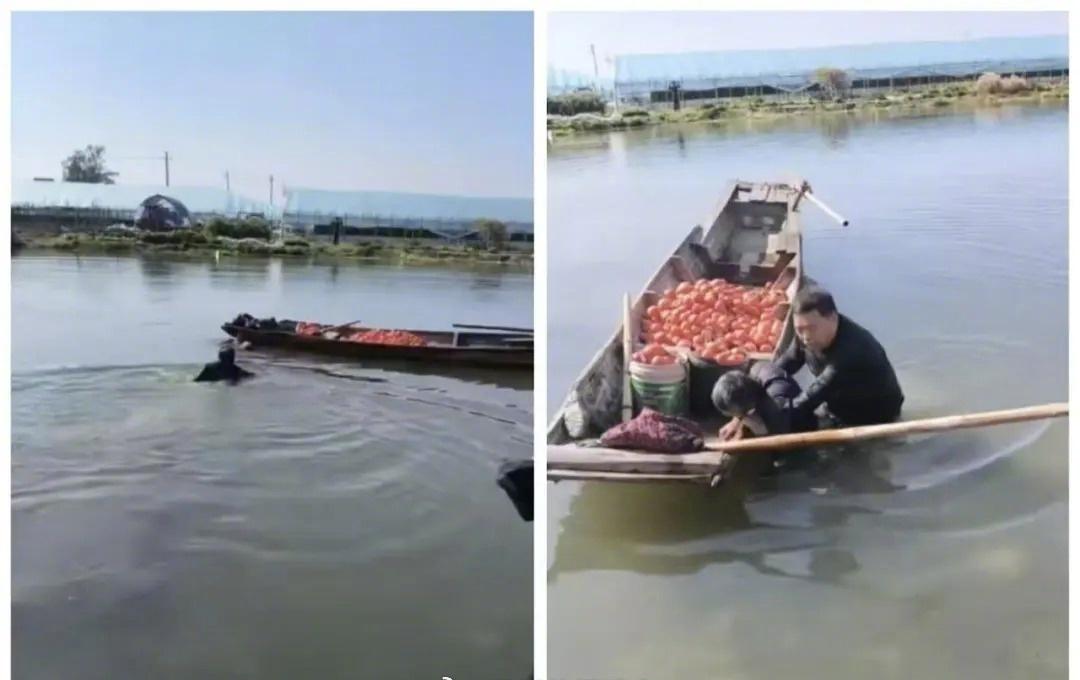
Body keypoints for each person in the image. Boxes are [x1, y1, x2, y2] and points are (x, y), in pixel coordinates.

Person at [721, 285, 903, 442]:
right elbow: (781, 367)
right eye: (799, 329)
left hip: (874, 419)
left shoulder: (851, 352)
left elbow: (809, 400)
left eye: (811, 328)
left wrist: (765, 419)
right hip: (837, 405)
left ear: (832, 317)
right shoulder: (807, 337)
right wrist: (741, 413)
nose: (805, 337)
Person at [712, 361, 803, 440]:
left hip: (796, 428)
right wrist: (735, 421)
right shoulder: (754, 373)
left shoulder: (776, 404)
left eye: (735, 413)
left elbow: (779, 438)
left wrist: (759, 431)